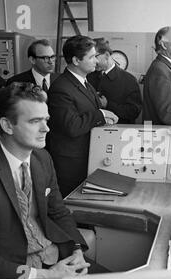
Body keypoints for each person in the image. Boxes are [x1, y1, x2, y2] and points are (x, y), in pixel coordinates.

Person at [0, 82, 109, 279]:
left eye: (46, 119)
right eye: (35, 121)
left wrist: (76, 250)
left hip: (56, 258)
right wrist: (44, 275)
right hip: (13, 273)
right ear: (7, 125)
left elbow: (58, 212)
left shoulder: (43, 158)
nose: (47, 128)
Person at [47, 35, 118, 197]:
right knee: (73, 209)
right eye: (92, 57)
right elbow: (71, 126)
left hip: (87, 157)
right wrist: (101, 114)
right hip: (71, 164)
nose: (97, 61)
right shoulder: (61, 87)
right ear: (76, 60)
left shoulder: (84, 82)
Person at [87, 38, 142, 124]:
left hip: (119, 132)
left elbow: (134, 112)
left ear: (106, 55)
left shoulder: (129, 80)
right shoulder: (88, 77)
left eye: (95, 56)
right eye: (90, 57)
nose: (93, 61)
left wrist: (108, 105)